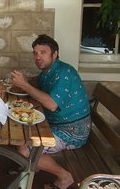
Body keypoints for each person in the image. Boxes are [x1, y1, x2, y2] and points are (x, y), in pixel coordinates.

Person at [10, 34, 91, 189]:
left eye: (43, 52)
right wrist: (25, 80)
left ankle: (65, 177)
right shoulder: (49, 71)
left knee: (23, 149)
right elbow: (37, 80)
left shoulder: (64, 72)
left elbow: (52, 104)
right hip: (56, 124)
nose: (38, 57)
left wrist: (25, 85)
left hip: (73, 131)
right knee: (20, 133)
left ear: (55, 54)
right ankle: (32, 165)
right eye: (35, 53)